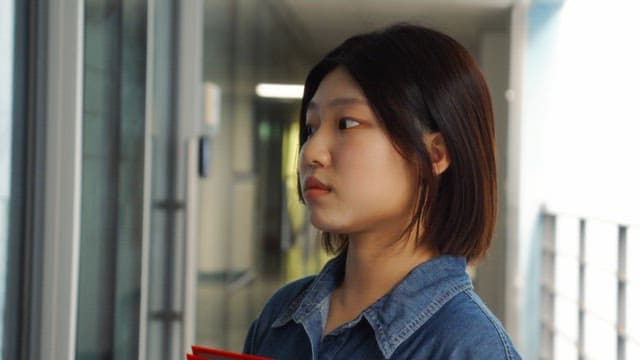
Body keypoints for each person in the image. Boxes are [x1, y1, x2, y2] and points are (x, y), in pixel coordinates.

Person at [243, 24, 521, 359]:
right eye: (311, 127)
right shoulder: (282, 314)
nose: (311, 152)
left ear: (436, 154)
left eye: (347, 123)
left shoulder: (471, 349)